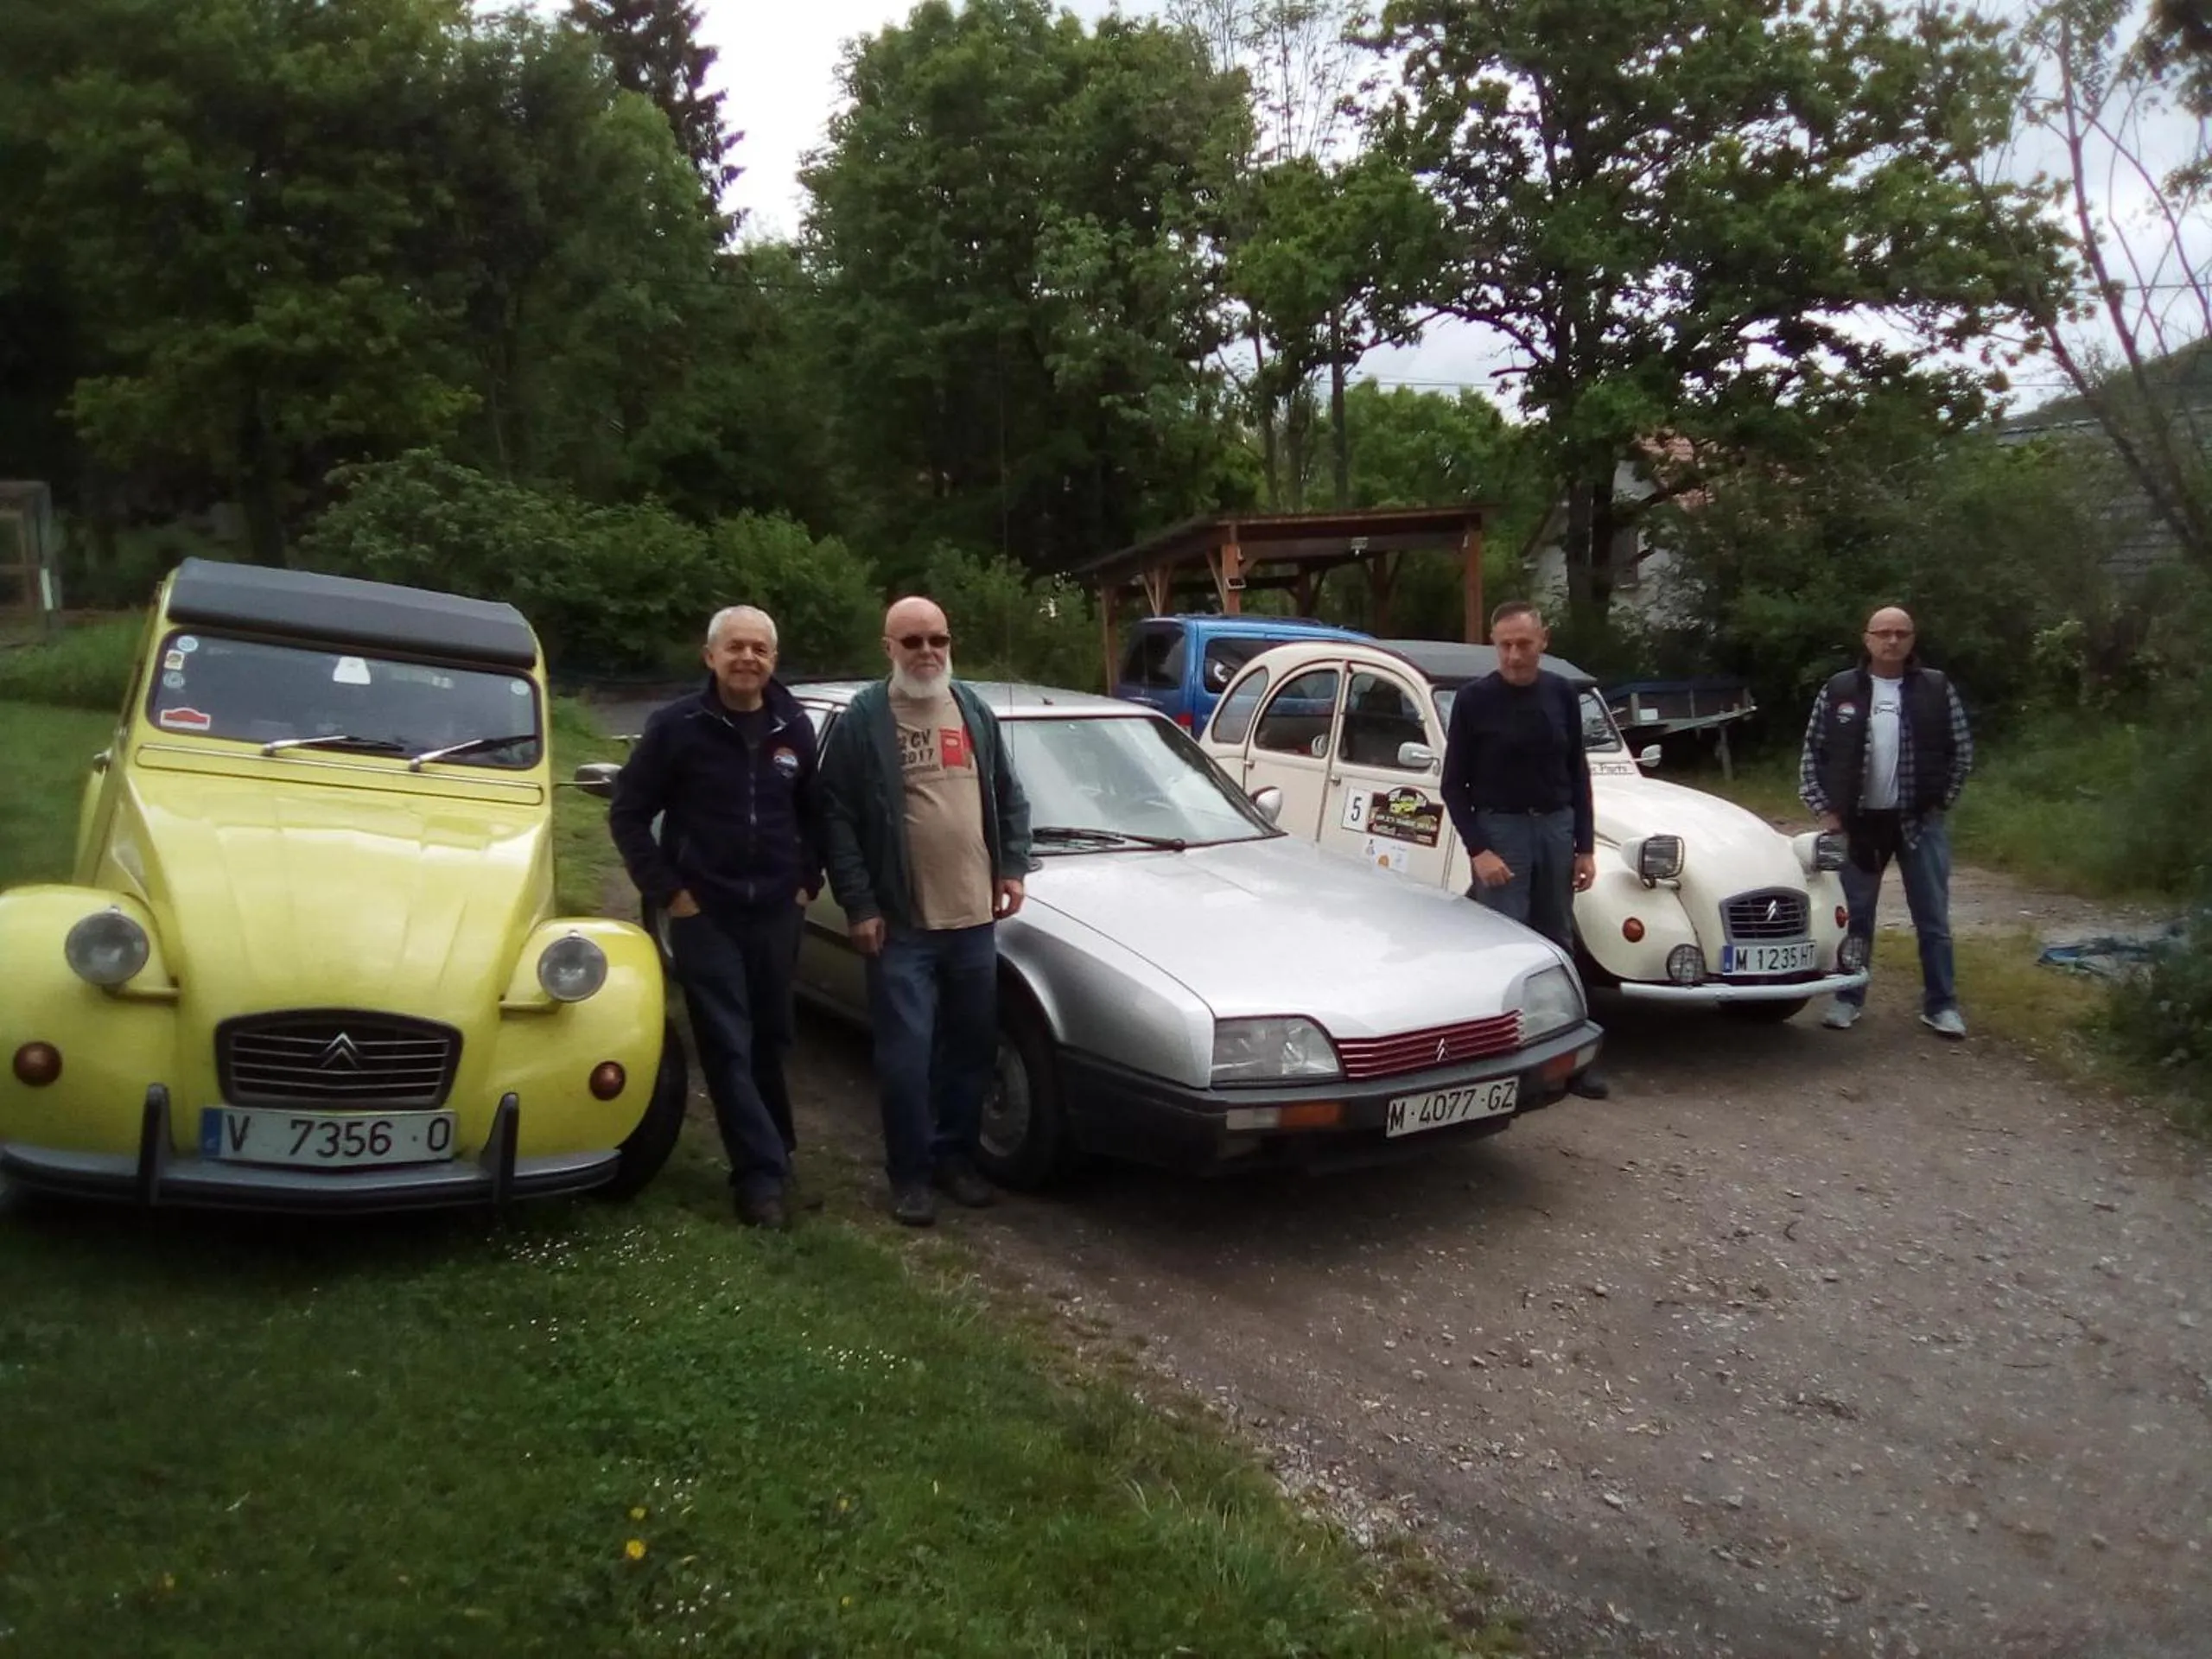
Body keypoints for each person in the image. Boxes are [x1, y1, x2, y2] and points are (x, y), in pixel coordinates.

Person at [818, 596, 1033, 1226]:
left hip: (973, 922)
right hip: (902, 925)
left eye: (937, 639)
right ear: (888, 647)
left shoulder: (970, 708)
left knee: (969, 1052)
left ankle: (954, 1159)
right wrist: (858, 903)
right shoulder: (865, 718)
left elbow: (1008, 795)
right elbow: (836, 818)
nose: (927, 652)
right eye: (911, 641)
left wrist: (1012, 866)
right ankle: (909, 1175)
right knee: (907, 1060)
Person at [608, 605, 823, 1229]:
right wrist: (671, 892)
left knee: (770, 1037)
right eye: (735, 647)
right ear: (710, 656)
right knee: (727, 1043)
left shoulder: (794, 727)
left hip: (777, 911)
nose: (748, 658)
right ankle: (759, 1181)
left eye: (760, 649)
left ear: (773, 660)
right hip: (707, 913)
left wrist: (807, 881)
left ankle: (776, 1154)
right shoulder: (678, 726)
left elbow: (815, 814)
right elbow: (627, 813)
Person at [1440, 600, 1608, 1100]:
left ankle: (1572, 1059)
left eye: (1524, 644)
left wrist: (1584, 846)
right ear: (1495, 646)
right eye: (1505, 646)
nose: (1514, 656)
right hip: (1502, 832)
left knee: (1557, 942)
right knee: (1505, 947)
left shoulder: (1560, 695)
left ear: (1544, 641)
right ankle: (1500, 1062)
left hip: (1555, 828)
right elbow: (1453, 786)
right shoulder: (1473, 702)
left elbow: (1578, 772)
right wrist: (1479, 850)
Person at [1798, 604, 1974, 1038]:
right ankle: (1848, 997)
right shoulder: (1840, 690)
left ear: (1912, 639)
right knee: (1855, 916)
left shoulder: (1935, 688)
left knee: (1932, 918)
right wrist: (1828, 813)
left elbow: (1962, 752)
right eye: (1883, 633)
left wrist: (1940, 801)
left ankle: (1942, 1005)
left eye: (1901, 633)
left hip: (1920, 823)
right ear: (1867, 639)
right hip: (1859, 826)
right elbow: (1811, 757)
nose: (1892, 641)